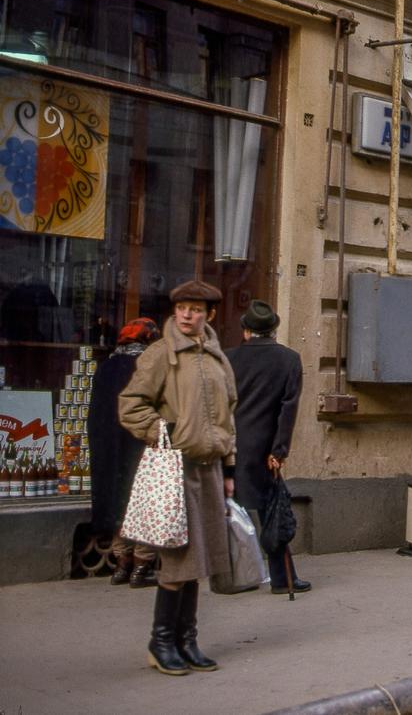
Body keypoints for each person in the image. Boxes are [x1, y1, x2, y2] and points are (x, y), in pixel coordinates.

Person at [119, 279, 236, 676]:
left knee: (199, 562)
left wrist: (230, 468)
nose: (188, 315)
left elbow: (228, 415)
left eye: (196, 309)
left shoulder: (218, 358)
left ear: (210, 315)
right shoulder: (159, 355)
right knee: (177, 560)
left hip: (210, 471)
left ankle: (188, 641)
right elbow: (131, 406)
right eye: (182, 308)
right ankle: (161, 641)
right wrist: (162, 433)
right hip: (175, 471)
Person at [225, 300, 310, 595]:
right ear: (273, 330)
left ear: (246, 331)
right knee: (271, 512)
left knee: (225, 510)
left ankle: (228, 575)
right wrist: (279, 450)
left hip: (230, 445)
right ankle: (282, 578)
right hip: (263, 449)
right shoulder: (289, 359)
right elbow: (288, 410)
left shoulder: (227, 358)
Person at [90, 318, 161, 588]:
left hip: (109, 447)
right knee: (144, 503)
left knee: (119, 504)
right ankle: (141, 567)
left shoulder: (106, 367)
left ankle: (121, 565)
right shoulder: (147, 367)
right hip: (140, 445)